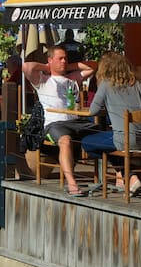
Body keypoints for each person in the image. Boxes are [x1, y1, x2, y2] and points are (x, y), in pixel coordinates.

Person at [80, 53, 141, 196]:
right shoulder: (139, 83)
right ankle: (126, 175)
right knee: (113, 141)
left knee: (87, 142)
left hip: (126, 140)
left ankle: (129, 175)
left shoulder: (105, 85)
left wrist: (110, 107)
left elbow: (93, 111)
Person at [23, 46, 97, 197]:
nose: (64, 61)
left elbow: (94, 66)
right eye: (60, 58)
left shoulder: (72, 79)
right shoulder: (43, 80)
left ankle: (120, 178)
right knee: (65, 141)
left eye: (66, 58)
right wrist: (48, 67)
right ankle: (72, 184)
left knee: (102, 133)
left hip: (76, 121)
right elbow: (26, 66)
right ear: (50, 60)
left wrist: (68, 66)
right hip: (54, 123)